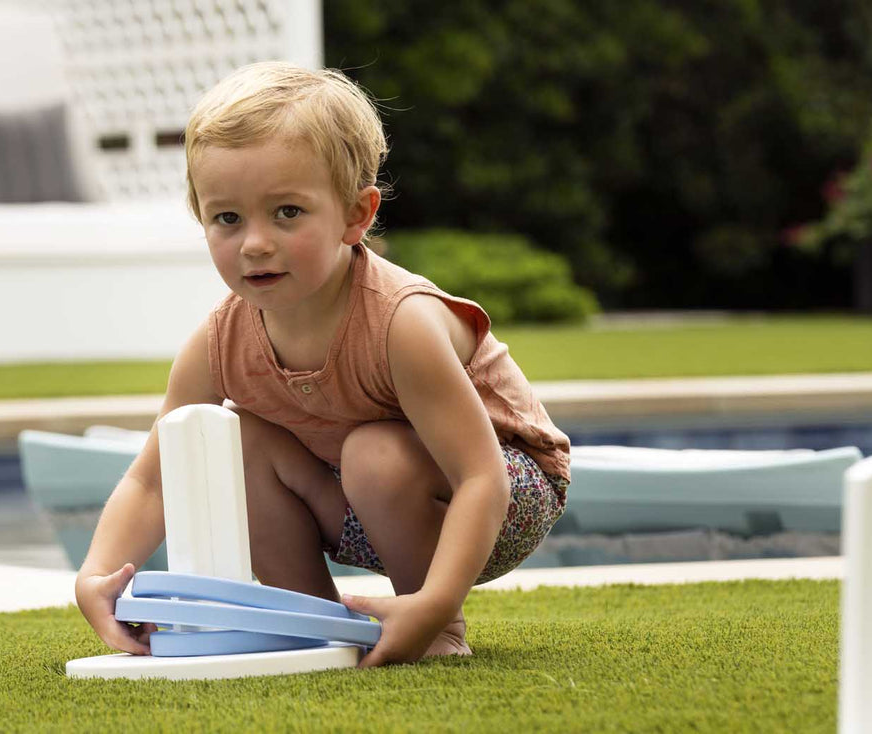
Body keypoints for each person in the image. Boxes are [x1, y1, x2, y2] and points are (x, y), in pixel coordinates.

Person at [74, 61, 571, 668]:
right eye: (228, 218)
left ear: (356, 215)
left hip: (504, 495)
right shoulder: (218, 341)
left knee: (374, 453)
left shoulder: (399, 324)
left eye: (287, 212)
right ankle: (310, 624)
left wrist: (437, 603)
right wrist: (98, 574)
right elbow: (154, 478)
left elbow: (479, 477)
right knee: (234, 446)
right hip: (361, 502)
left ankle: (436, 630)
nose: (255, 243)